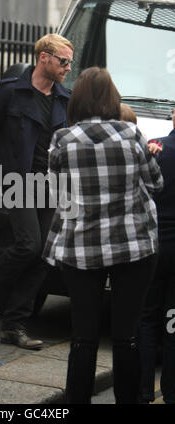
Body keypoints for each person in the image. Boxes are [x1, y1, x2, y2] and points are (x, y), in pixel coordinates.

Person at [43, 66, 164, 404]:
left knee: (83, 337)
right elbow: (156, 184)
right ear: (113, 98)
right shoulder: (132, 135)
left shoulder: (62, 140)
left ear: (77, 100)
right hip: (134, 245)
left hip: (81, 247)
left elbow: (56, 195)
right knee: (126, 336)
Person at [0, 33, 74, 350]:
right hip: (15, 183)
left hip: (49, 187)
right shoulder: (11, 93)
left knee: (43, 255)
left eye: (69, 61)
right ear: (44, 58)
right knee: (29, 245)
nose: (68, 67)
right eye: (63, 61)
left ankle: (15, 324)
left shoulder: (63, 100)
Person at [138, 109, 175, 404]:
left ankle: (143, 390)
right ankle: (172, 391)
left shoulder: (156, 148)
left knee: (147, 318)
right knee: (173, 321)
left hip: (153, 245)